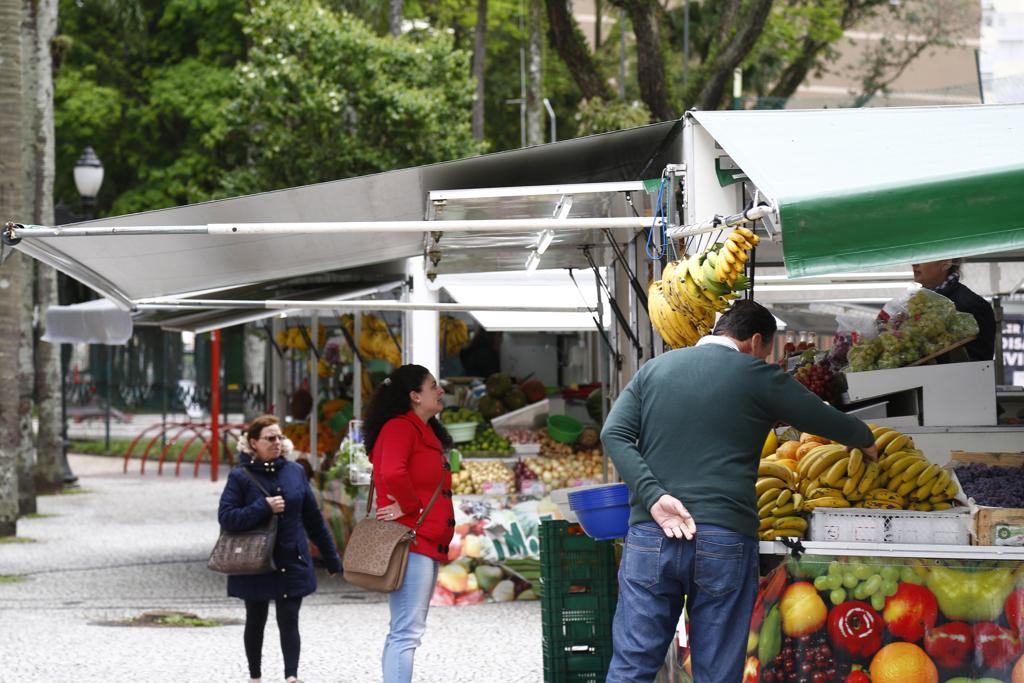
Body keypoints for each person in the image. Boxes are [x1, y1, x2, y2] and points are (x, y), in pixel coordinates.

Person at [601, 300, 878, 683]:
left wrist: (653, 496)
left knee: (632, 666)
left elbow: (613, 433)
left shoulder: (654, 370)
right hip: (723, 537)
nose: (764, 358)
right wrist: (864, 439)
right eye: (766, 352)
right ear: (756, 340)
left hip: (652, 533)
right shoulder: (756, 375)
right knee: (717, 672)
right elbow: (821, 416)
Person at [218, 415, 341, 683]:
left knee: (289, 618)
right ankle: (255, 676)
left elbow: (314, 519)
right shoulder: (240, 477)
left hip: (291, 558)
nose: (277, 442)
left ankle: (291, 677)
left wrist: (332, 559)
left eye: (279, 437)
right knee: (256, 618)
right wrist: (263, 506)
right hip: (255, 561)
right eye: (270, 438)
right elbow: (227, 517)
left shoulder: (295, 471)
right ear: (253, 443)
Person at [363, 364, 454, 683]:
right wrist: (410, 506)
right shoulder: (400, 428)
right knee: (406, 632)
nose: (440, 391)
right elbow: (392, 472)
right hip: (411, 541)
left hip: (424, 541)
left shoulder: (422, 430)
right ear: (415, 396)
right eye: (433, 386)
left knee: (407, 631)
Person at [912, 258, 996, 361]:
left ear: (946, 263)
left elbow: (979, 367)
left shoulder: (972, 305)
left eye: (924, 257)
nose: (914, 263)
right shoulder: (916, 304)